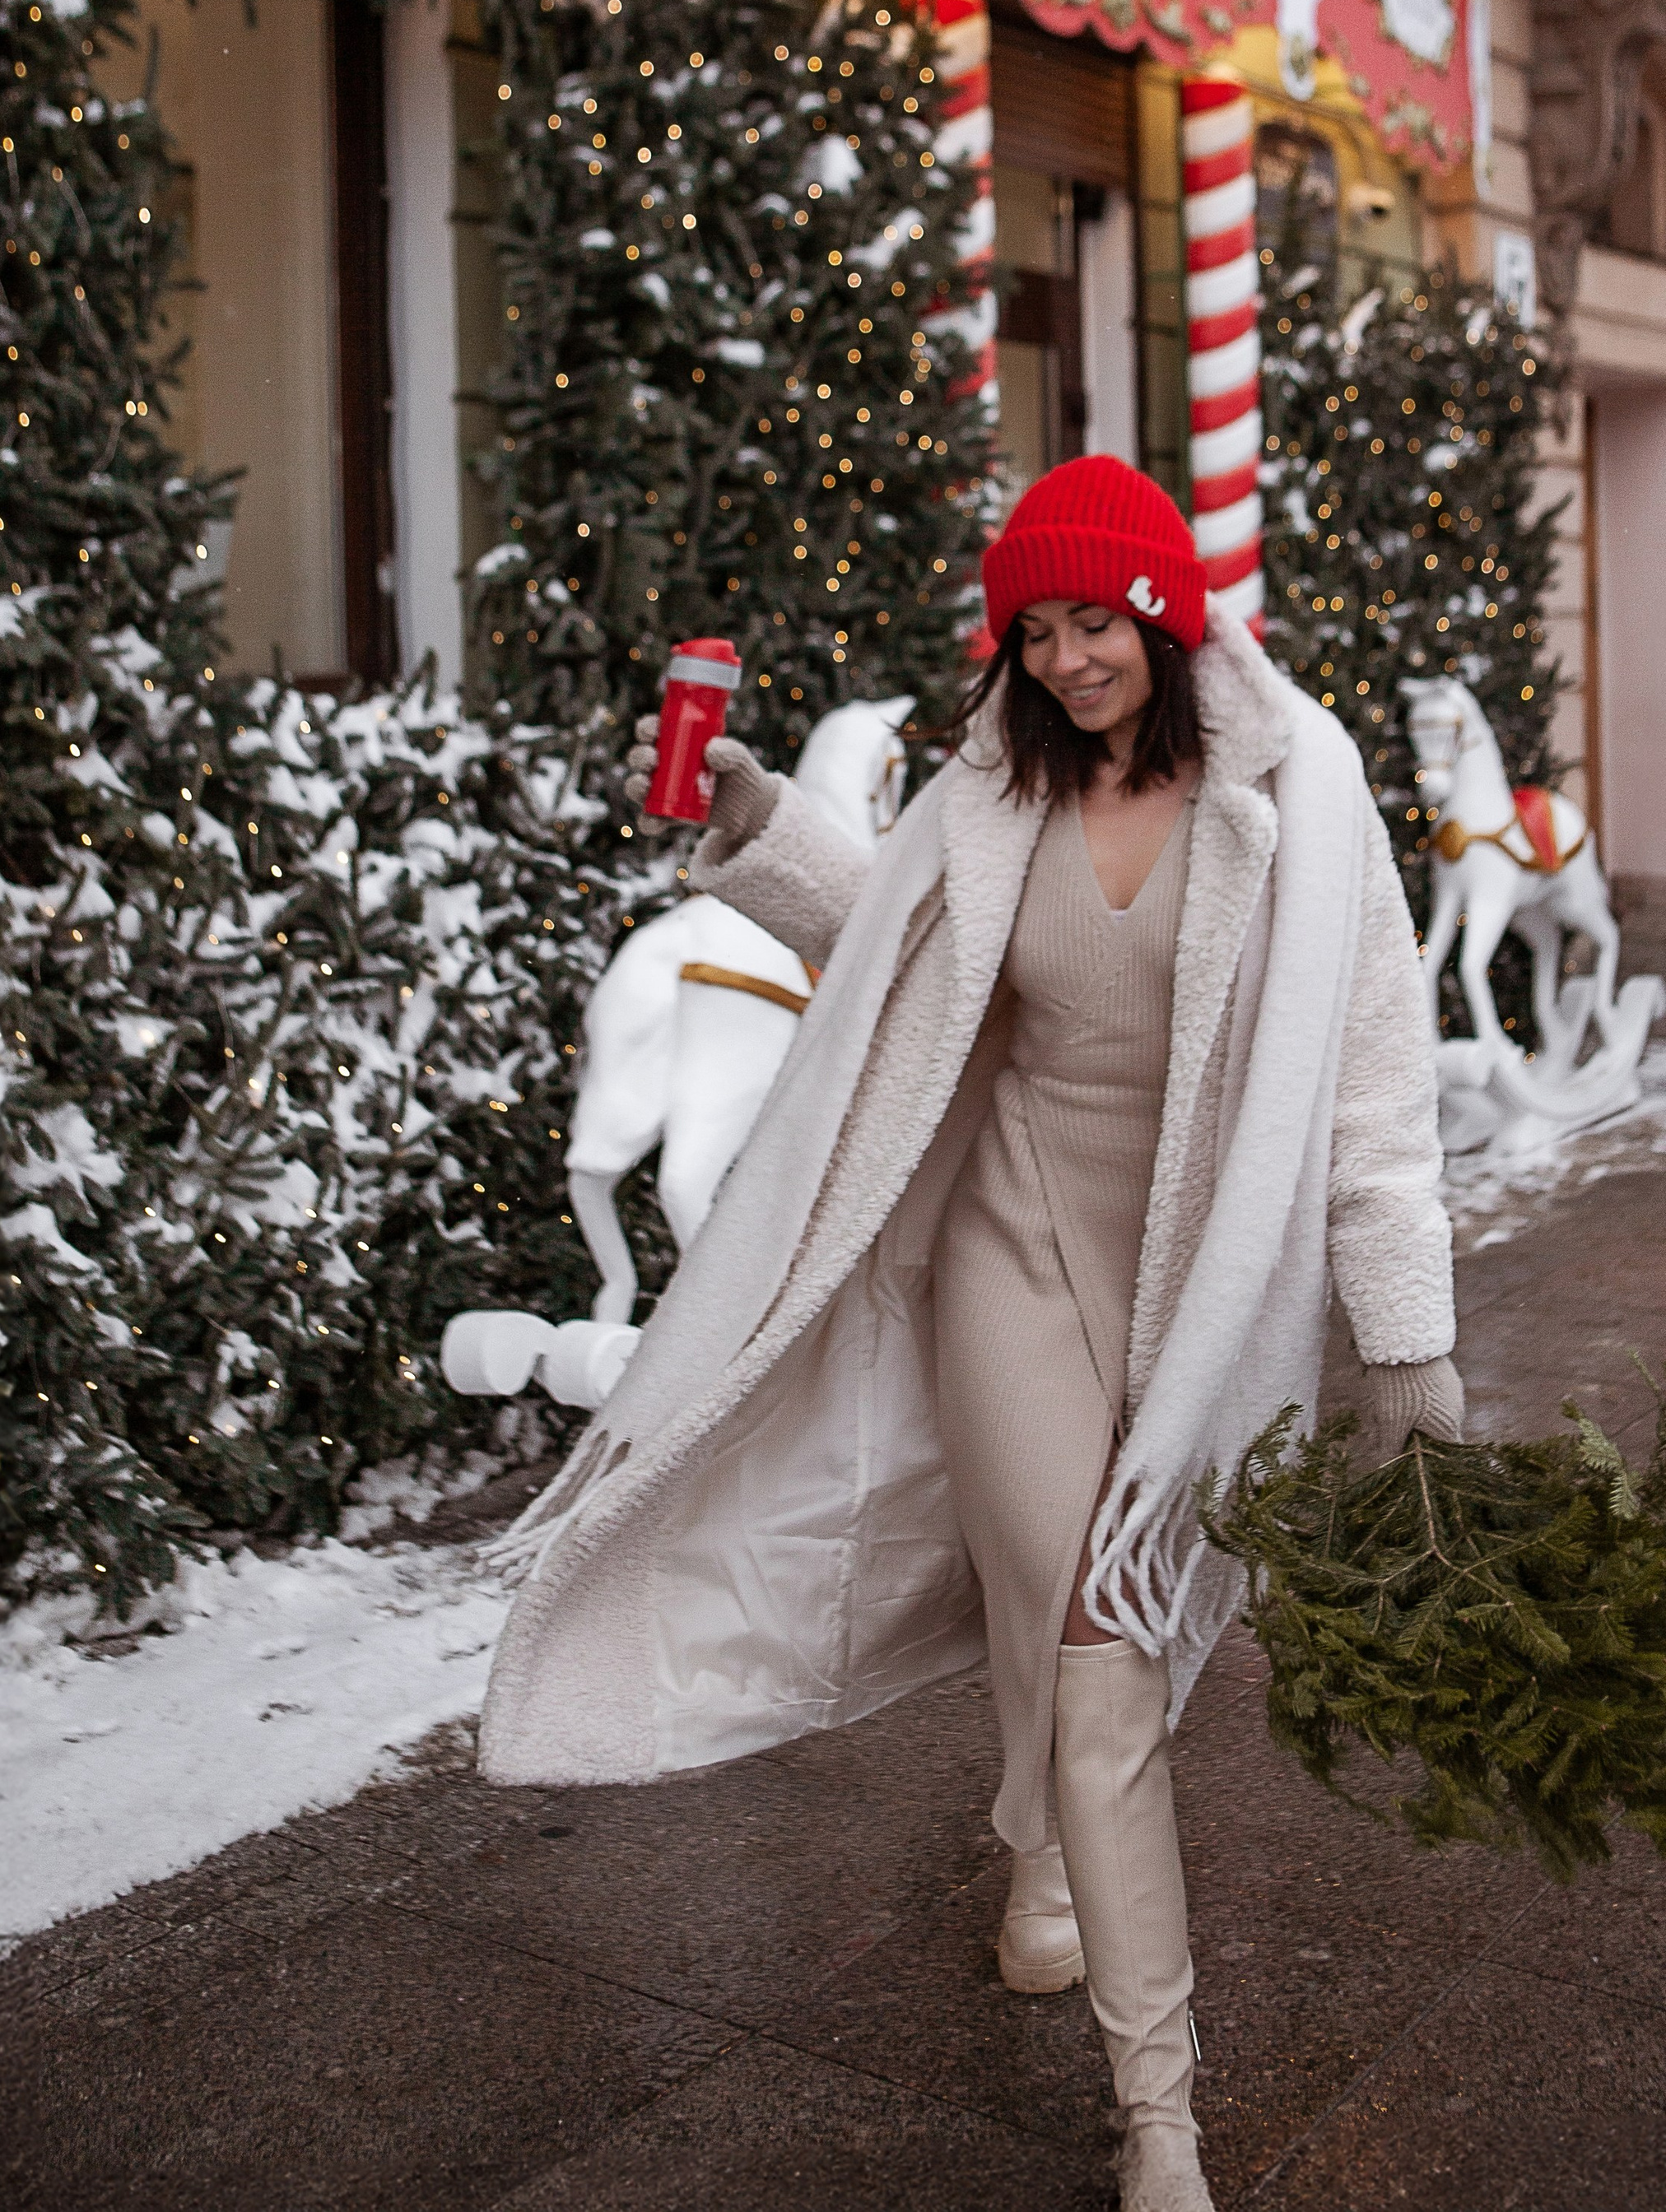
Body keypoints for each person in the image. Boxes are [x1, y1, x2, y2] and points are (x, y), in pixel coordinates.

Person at [482, 456, 1461, 2212]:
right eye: (1036, 627)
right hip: (1008, 1245)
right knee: (1068, 1610)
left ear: (1163, 615)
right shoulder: (991, 790)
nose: (1069, 657)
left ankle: (1041, 1848)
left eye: (1096, 621)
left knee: (1105, 1638)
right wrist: (766, 823)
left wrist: (1403, 1331)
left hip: (1195, 1283)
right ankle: (1159, 2119)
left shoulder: (1297, 794)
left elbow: (1371, 1085)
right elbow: (900, 951)